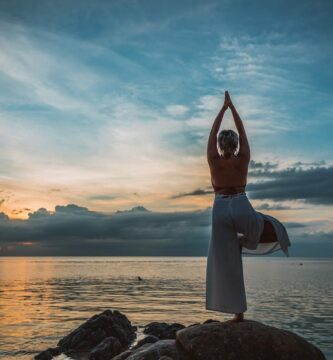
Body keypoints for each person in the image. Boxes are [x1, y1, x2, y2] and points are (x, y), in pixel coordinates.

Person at [205, 91, 291, 322]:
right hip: (241, 204)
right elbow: (242, 133)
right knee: (263, 224)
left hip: (221, 207)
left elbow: (212, 135)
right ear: (234, 144)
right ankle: (248, 241)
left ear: (221, 145)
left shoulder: (214, 160)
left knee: (226, 260)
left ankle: (236, 312)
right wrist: (232, 108)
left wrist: (222, 109)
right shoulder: (242, 158)